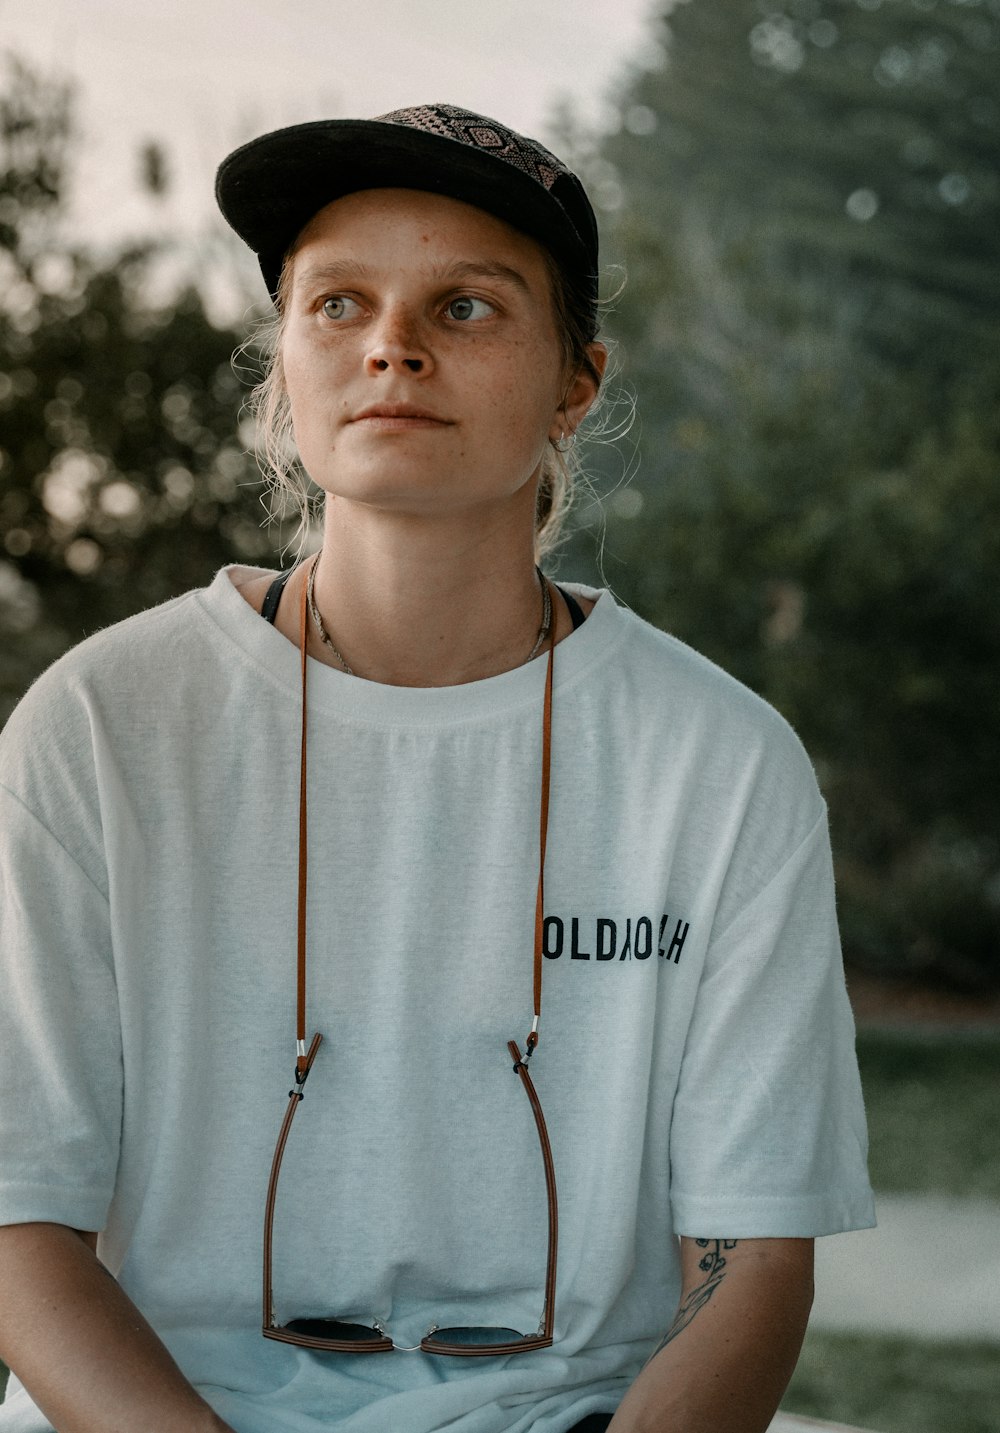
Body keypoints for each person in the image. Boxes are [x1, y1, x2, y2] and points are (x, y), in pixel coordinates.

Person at [0, 104, 875, 1433]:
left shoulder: (721, 761)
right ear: (284, 364)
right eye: (338, 303)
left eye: (466, 308)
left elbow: (753, 1258)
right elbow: (21, 1224)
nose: (392, 344)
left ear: (577, 380)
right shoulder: (102, 726)